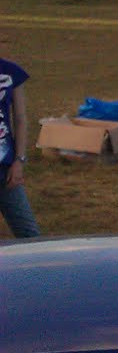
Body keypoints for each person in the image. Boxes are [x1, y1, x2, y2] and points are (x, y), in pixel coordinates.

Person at [0, 56, 41, 239]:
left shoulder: (10, 71)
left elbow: (20, 119)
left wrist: (19, 161)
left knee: (29, 235)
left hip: (5, 168)